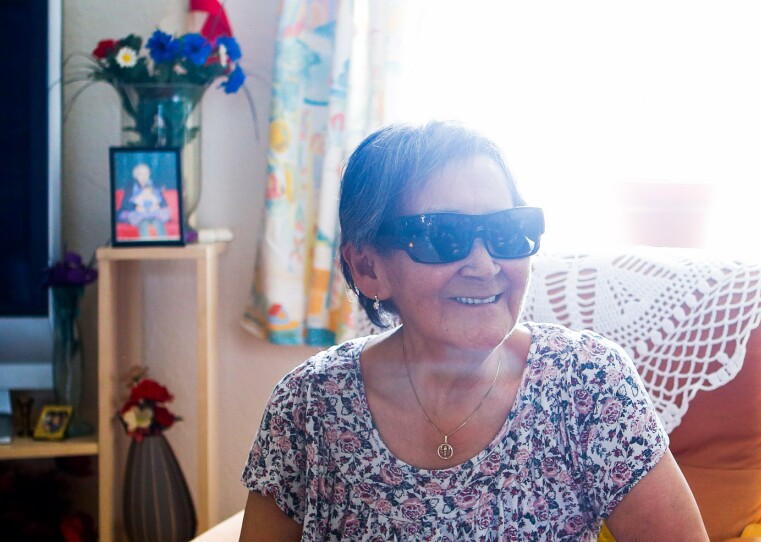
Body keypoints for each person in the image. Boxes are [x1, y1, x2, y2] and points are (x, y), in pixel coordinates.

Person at [240, 121, 709, 541]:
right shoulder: (309, 404)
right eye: (443, 236)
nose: (485, 266)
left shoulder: (588, 385)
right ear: (367, 267)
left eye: (507, 232)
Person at [116, 162, 171, 238]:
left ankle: (165, 246)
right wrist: (136, 207)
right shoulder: (130, 187)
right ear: (136, 176)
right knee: (143, 224)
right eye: (140, 174)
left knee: (159, 223)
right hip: (139, 215)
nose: (143, 177)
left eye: (146, 174)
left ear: (149, 175)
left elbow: (163, 203)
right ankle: (145, 247)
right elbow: (125, 205)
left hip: (154, 213)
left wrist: (157, 206)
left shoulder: (155, 186)